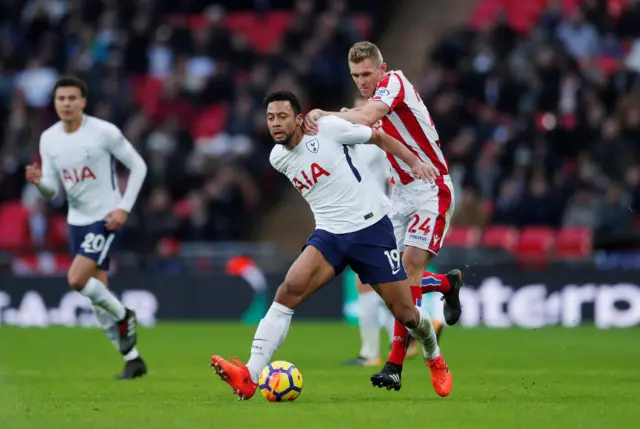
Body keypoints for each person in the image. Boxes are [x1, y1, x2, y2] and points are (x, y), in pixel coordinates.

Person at [211, 90, 454, 399]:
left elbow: (379, 138)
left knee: (405, 313)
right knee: (288, 291)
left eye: (282, 116)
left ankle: (434, 357)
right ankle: (250, 374)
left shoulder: (327, 129)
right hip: (330, 234)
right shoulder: (277, 158)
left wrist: (415, 163)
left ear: (298, 119)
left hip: (371, 230)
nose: (275, 123)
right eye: (271, 118)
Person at [304, 41, 462, 391]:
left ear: (382, 68)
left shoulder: (395, 84)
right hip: (398, 196)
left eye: (366, 73)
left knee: (408, 269)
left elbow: (367, 116)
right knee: (383, 280)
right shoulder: (358, 108)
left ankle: (400, 363)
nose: (362, 81)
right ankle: (446, 285)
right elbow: (357, 125)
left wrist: (325, 113)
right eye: (355, 75)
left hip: (431, 188)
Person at [25, 76, 148, 379]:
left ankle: (124, 314)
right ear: (54, 103)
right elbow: (55, 191)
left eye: (71, 98)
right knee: (97, 298)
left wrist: (123, 208)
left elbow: (138, 166)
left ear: (83, 102)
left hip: (105, 217)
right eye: (60, 99)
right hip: (76, 221)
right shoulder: (49, 139)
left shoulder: (103, 132)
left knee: (76, 280)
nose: (66, 103)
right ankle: (133, 360)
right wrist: (41, 184)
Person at [343, 96, 395, 367]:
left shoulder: (380, 140)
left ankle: (371, 352)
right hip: (362, 214)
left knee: (369, 283)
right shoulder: (352, 140)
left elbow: (393, 179)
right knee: (375, 283)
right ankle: (410, 333)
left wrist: (395, 217)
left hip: (377, 215)